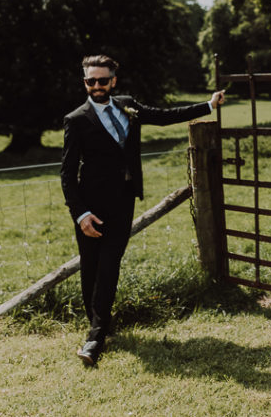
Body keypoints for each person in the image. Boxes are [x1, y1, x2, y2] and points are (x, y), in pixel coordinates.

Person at [60, 54, 226, 365]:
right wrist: (80, 214)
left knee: (109, 265)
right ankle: (97, 325)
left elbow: (164, 116)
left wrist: (208, 106)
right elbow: (67, 174)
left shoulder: (127, 105)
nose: (96, 86)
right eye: (90, 81)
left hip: (123, 201)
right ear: (85, 82)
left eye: (102, 80)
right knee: (92, 266)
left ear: (113, 80)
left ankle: (96, 336)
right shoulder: (76, 119)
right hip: (91, 206)